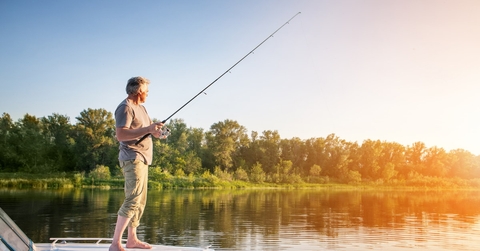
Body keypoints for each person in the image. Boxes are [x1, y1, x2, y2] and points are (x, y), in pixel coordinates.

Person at [110, 76, 165, 251]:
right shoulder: (125, 107)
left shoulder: (141, 108)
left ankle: (132, 239)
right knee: (132, 199)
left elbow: (144, 131)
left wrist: (154, 132)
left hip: (143, 159)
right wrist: (148, 129)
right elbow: (121, 135)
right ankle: (115, 243)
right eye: (146, 91)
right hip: (132, 157)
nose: (148, 94)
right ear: (139, 90)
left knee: (140, 201)